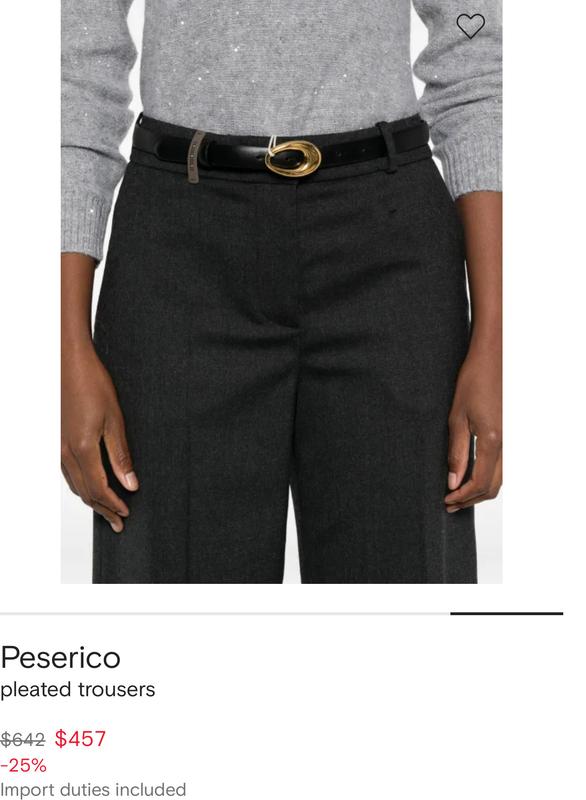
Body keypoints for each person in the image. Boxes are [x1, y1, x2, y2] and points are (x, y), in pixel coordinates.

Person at [61, 1, 502, 584]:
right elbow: (75, 74)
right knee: (168, 610)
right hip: (178, 252)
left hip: (390, 251)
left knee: (403, 612)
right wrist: (66, 347)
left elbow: (475, 62)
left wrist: (495, 341)